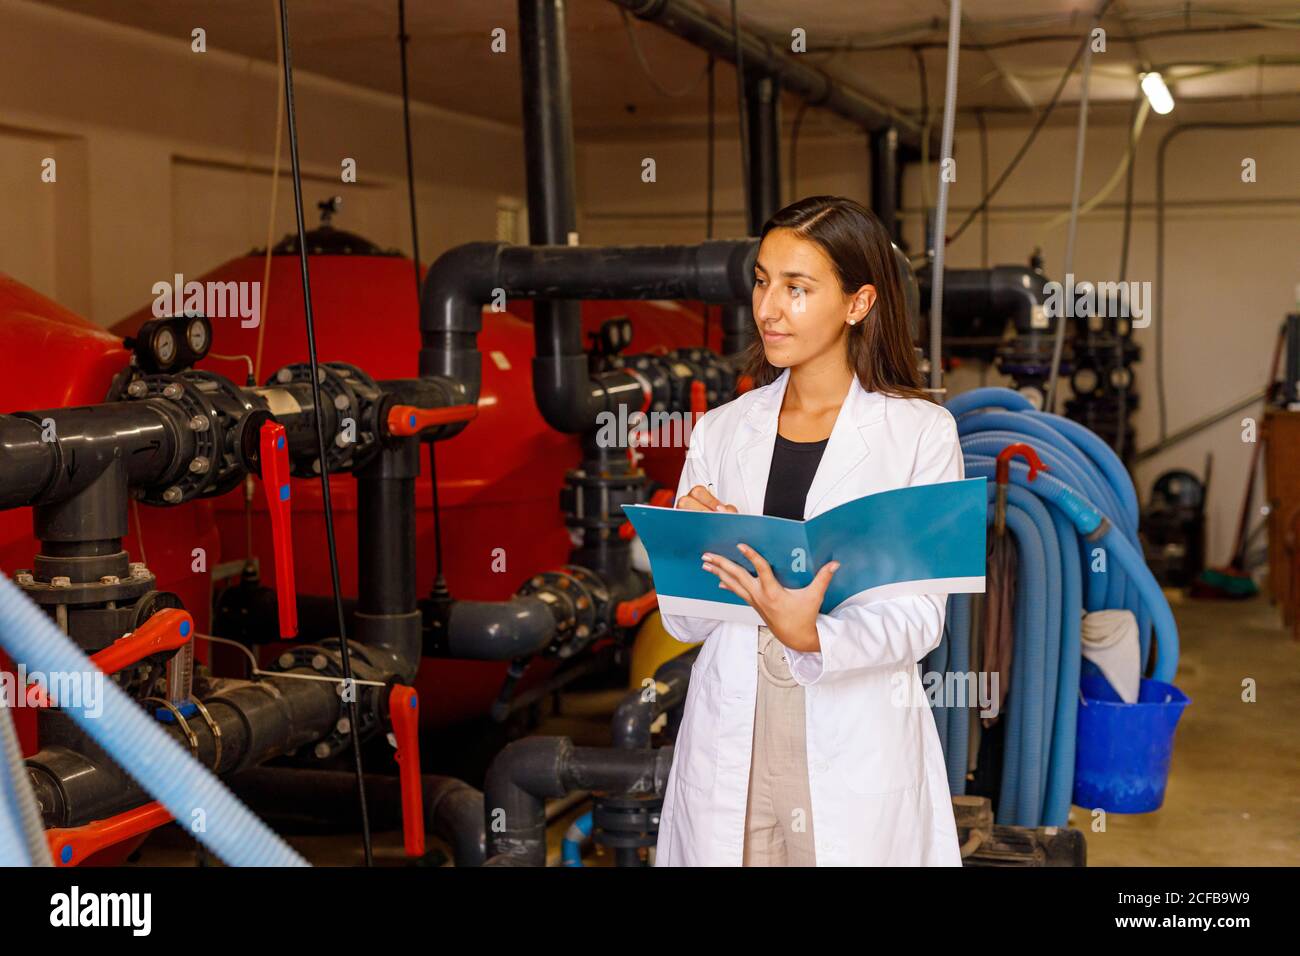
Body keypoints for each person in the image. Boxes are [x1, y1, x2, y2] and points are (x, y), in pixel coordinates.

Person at [653, 195, 964, 867]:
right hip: (735, 721)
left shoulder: (920, 433)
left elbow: (922, 617)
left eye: (797, 288)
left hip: (850, 721)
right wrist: (689, 550)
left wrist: (814, 631)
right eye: (763, 281)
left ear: (857, 303)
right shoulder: (722, 429)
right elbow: (684, 623)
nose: (768, 307)